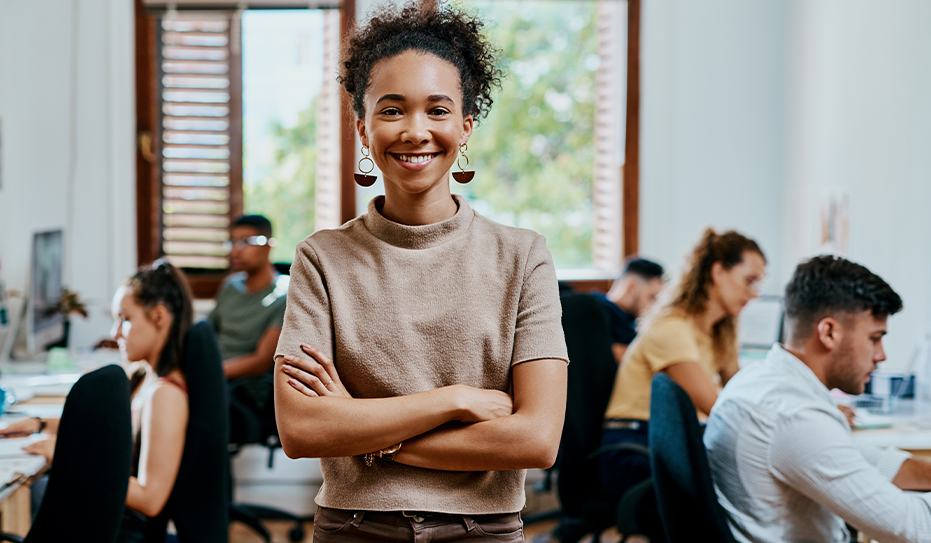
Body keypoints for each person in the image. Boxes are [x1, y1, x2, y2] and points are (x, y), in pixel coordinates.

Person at [270, 3, 569, 541]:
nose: (415, 131)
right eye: (391, 110)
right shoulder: (320, 259)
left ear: (465, 125)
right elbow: (301, 428)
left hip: (485, 529)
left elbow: (537, 439)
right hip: (355, 526)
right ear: (363, 129)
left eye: (437, 109)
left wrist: (367, 433)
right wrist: (453, 400)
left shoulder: (524, 257)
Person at [705, 255, 931, 542]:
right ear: (829, 332)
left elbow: (859, 461)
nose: (881, 355)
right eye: (874, 338)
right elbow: (915, 529)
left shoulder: (767, 380)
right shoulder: (791, 412)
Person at [0, 261, 194, 543]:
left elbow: (151, 499)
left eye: (125, 319)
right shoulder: (145, 375)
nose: (115, 332)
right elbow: (113, 432)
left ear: (159, 317)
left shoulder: (165, 395)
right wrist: (41, 424)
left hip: (125, 532)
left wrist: (66, 457)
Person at [598, 228, 765, 539]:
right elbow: (719, 408)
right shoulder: (672, 329)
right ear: (718, 272)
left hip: (665, 445)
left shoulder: (717, 334)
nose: (754, 293)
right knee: (733, 489)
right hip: (631, 451)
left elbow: (742, 393)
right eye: (749, 281)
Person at [208, 214, 289, 380]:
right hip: (212, 368)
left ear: (268, 245)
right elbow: (207, 332)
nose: (236, 250)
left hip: (244, 384)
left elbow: (261, 361)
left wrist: (208, 374)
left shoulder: (284, 294)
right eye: (233, 241)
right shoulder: (230, 286)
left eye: (246, 241)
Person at [599, 257, 665, 363]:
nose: (654, 307)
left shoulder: (633, 319)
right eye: (652, 297)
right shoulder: (599, 308)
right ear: (631, 287)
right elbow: (603, 352)